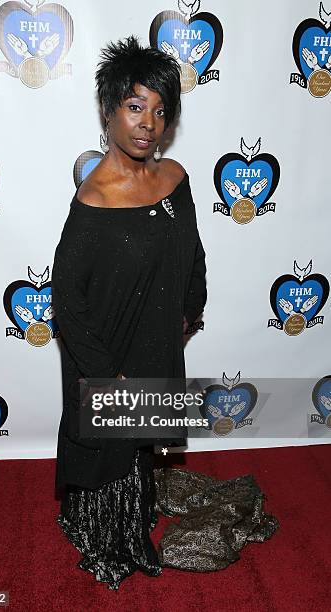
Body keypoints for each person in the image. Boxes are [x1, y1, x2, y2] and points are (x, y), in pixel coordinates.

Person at [51, 35, 278, 591]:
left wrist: (191, 311)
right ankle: (112, 537)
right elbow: (67, 302)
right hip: (108, 355)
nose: (147, 123)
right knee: (111, 456)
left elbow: (191, 251)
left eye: (159, 110)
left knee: (145, 450)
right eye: (135, 107)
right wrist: (108, 375)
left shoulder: (175, 177)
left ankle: (138, 514)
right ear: (108, 112)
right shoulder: (94, 201)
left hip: (158, 335)